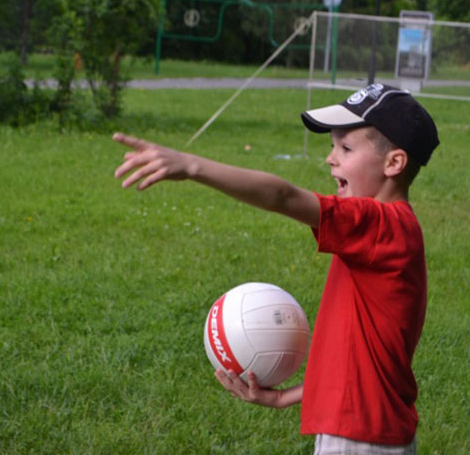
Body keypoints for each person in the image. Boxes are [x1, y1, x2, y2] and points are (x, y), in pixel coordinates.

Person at [113, 83, 439, 455]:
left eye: (345, 148)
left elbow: (283, 196)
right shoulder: (389, 231)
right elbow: (363, 364)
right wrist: (287, 398)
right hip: (365, 429)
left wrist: (192, 166)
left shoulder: (381, 225)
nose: (330, 158)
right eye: (332, 146)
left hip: (361, 439)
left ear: (393, 163)